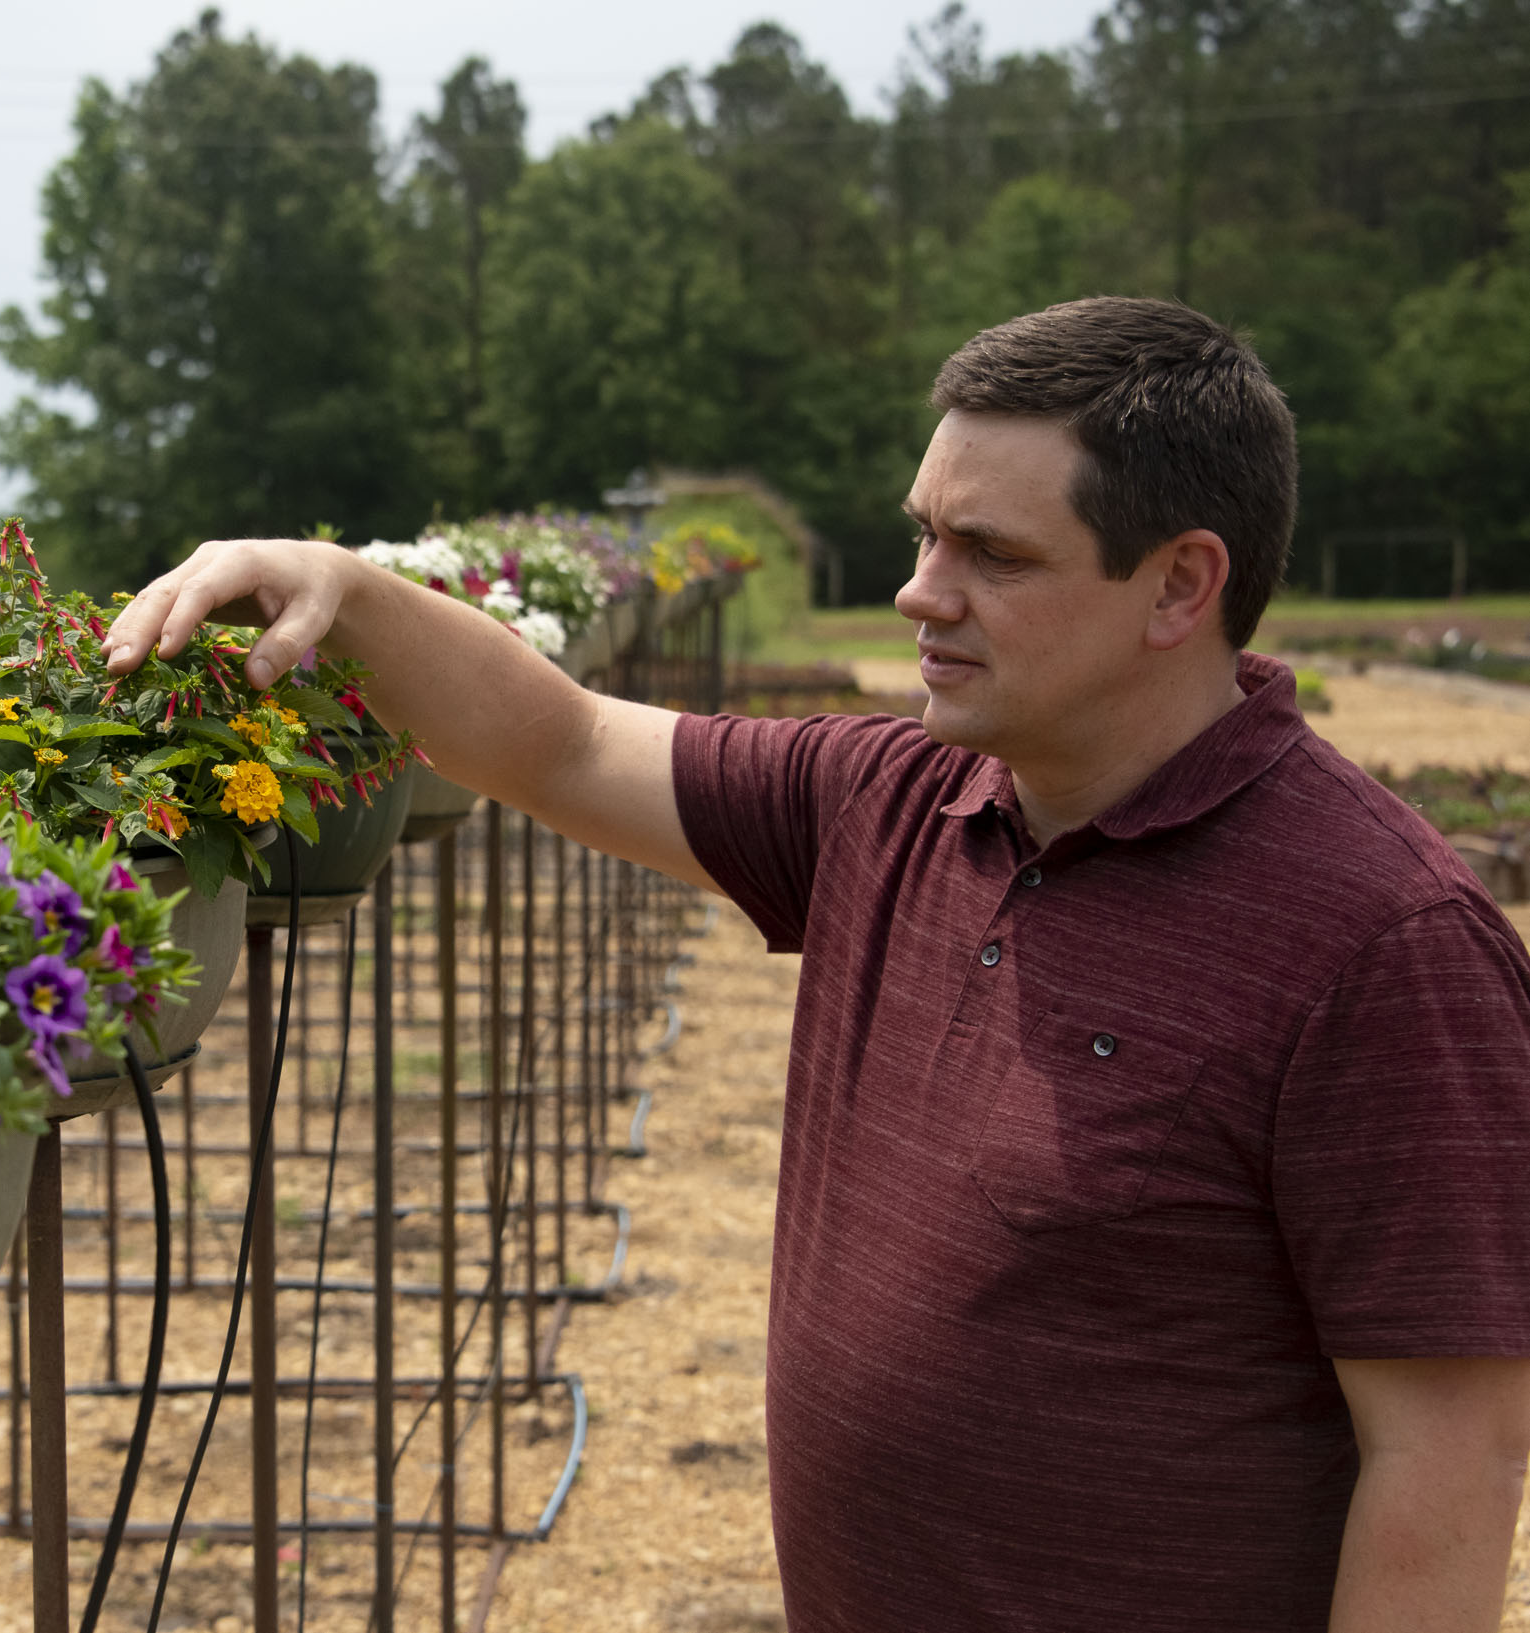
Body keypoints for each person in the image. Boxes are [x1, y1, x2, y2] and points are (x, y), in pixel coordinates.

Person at [103, 297, 1530, 1632]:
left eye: (994, 554)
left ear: (1180, 584)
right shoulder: (894, 801)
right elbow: (565, 742)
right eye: (922, 535)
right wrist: (340, 590)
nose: (920, 593)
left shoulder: (1380, 944)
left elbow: (1444, 1453)